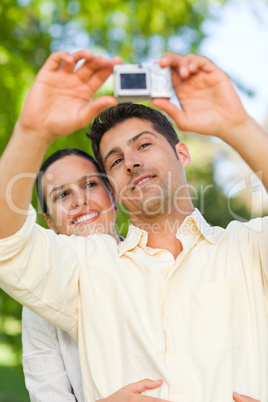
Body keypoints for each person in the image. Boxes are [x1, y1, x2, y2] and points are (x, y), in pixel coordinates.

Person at [0, 49, 267, 402]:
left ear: (182, 154)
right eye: (115, 160)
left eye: (144, 144)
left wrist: (237, 127)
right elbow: (8, 243)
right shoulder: (87, 269)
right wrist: (33, 132)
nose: (131, 162)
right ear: (112, 186)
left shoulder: (248, 248)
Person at [22, 148, 165, 402]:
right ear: (51, 223)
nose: (80, 201)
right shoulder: (41, 298)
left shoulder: (158, 259)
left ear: (113, 196)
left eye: (89, 184)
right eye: (63, 194)